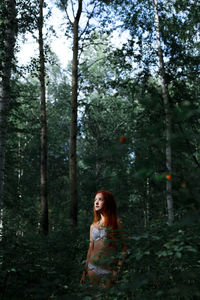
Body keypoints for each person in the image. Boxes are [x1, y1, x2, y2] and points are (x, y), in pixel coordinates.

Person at [80, 190, 126, 288]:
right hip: (92, 268)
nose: (96, 202)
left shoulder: (116, 223)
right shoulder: (93, 226)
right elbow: (90, 249)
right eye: (95, 200)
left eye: (100, 199)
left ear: (108, 202)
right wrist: (84, 272)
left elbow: (125, 247)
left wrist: (118, 270)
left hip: (108, 271)